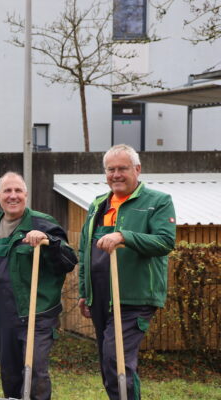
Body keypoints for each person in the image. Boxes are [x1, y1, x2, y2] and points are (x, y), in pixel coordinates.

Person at [77, 144, 175, 400]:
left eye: (122, 168)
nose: (116, 175)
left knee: (116, 359)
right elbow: (85, 251)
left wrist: (125, 236)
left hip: (134, 297)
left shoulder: (158, 202)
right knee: (108, 365)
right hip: (100, 297)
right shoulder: (98, 204)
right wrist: (84, 292)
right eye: (111, 169)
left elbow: (165, 242)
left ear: (137, 169)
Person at [0, 172, 77, 400]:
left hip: (37, 313)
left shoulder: (42, 223)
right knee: (9, 373)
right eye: (7, 191)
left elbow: (68, 260)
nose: (13, 196)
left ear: (26, 195)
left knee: (34, 370)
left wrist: (48, 241)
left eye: (18, 191)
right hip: (2, 314)